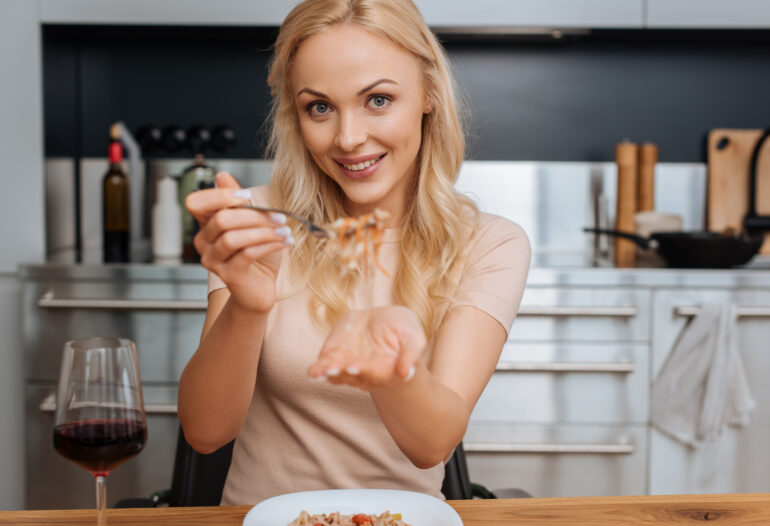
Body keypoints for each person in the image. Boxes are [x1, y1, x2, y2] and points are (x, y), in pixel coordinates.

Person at [177, 0, 530, 505]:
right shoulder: (258, 219)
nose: (348, 138)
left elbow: (432, 445)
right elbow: (205, 432)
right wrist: (248, 305)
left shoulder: (489, 243)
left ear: (428, 94)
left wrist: (390, 371)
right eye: (319, 107)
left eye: (378, 100)